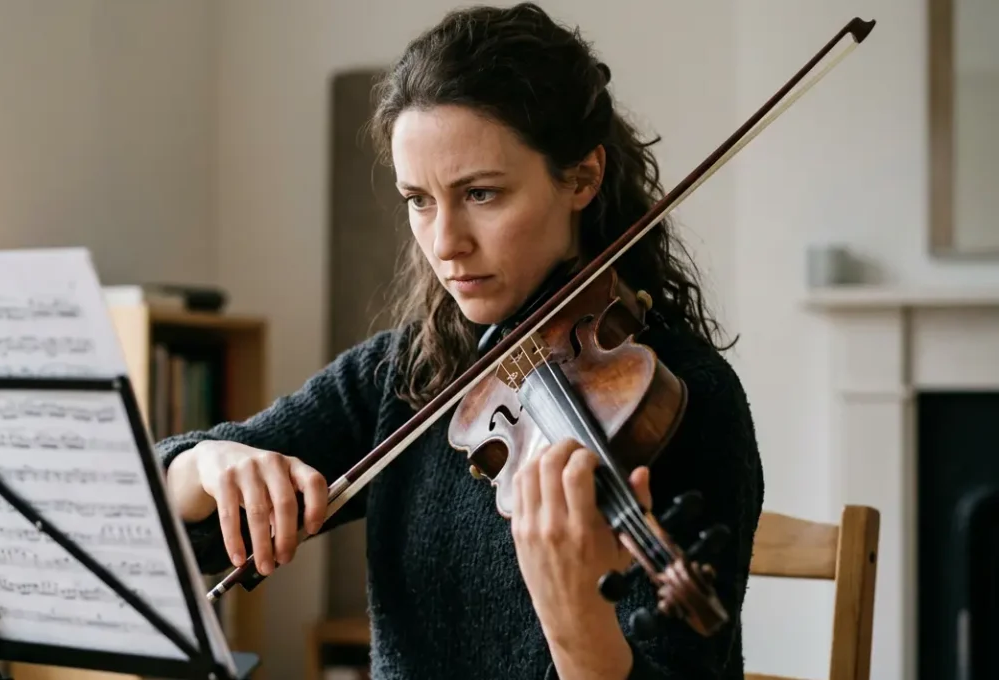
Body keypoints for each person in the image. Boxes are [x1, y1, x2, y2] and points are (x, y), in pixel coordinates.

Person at [158, 3, 764, 678]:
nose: (445, 243)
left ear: (583, 178)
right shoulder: (408, 374)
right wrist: (207, 464)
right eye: (419, 199)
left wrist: (577, 625)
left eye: (480, 194)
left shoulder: (681, 400)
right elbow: (164, 521)